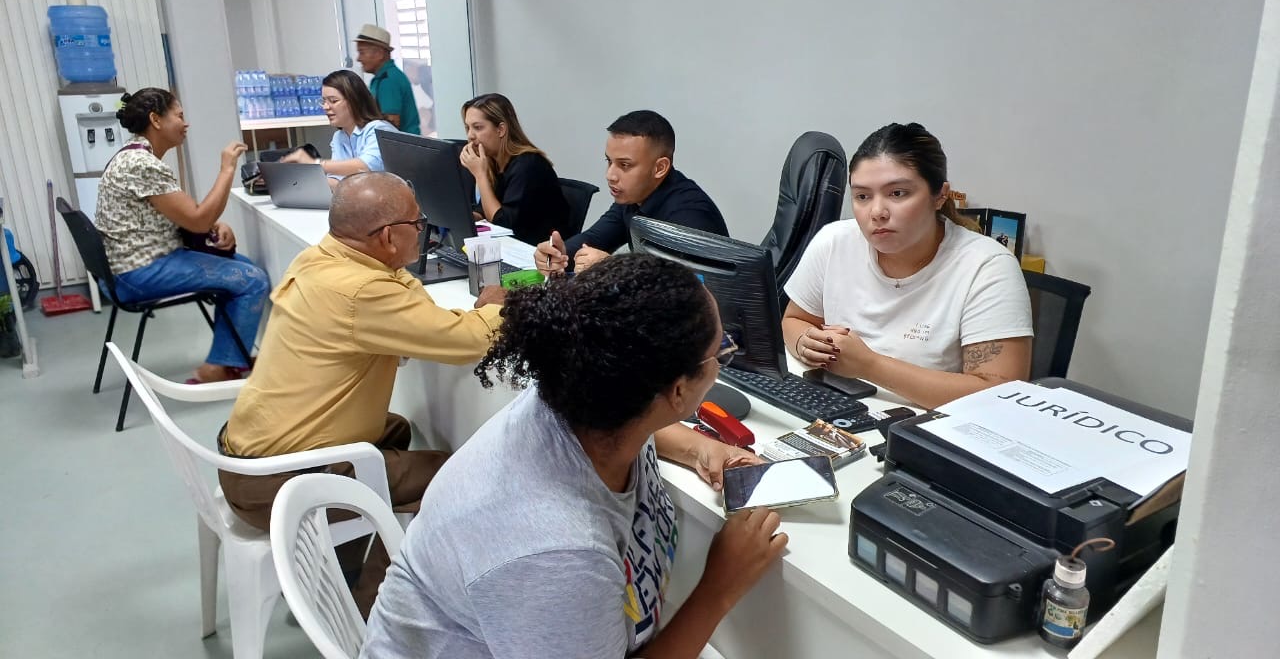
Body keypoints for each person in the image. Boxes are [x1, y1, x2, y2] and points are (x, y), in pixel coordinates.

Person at [363, 253, 787, 658]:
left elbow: (639, 421)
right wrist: (721, 585)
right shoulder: (559, 553)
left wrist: (699, 446)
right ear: (678, 391)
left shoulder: (585, 400)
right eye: (721, 351)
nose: (720, 362)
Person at [216, 171, 505, 617]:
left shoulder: (321, 259)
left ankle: (338, 570)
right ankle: (374, 609)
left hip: (246, 461)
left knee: (396, 429)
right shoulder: (364, 291)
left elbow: (410, 309)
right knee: (458, 477)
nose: (423, 230)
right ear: (389, 237)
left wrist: (398, 271)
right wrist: (496, 309)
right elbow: (464, 339)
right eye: (417, 223)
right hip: (278, 484)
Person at [782, 122, 1033, 409]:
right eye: (862, 196)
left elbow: (999, 396)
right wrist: (805, 341)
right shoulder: (834, 241)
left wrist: (870, 366)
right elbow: (794, 320)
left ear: (940, 196)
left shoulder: (987, 267)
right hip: (838, 408)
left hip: (927, 432)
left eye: (898, 193)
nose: (877, 212)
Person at [95, 88, 268, 383]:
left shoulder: (132, 156)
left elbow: (178, 215)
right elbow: (198, 220)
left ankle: (228, 357)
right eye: (179, 115)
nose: (185, 123)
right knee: (252, 279)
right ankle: (217, 368)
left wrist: (213, 224)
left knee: (243, 268)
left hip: (127, 268)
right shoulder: (142, 164)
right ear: (156, 120)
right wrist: (227, 169)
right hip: (139, 274)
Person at [534, 110, 728, 274]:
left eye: (624, 165)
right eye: (609, 161)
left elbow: (684, 294)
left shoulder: (690, 216)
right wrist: (558, 255)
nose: (610, 175)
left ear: (660, 168)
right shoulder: (633, 198)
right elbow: (593, 239)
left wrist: (613, 270)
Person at [459, 93, 570, 245]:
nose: (470, 135)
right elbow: (484, 210)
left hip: (539, 254)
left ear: (501, 129)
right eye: (468, 128)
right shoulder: (493, 161)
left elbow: (502, 223)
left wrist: (480, 175)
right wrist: (463, 217)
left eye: (478, 127)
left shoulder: (528, 165)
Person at [283, 70, 395, 180]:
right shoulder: (339, 137)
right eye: (324, 101)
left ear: (354, 101)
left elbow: (364, 167)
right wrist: (298, 180)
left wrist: (315, 163)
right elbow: (338, 181)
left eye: (333, 101)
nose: (325, 107)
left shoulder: (379, 130)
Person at [354, 23, 421, 135]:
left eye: (362, 52)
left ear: (380, 53)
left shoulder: (388, 80)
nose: (358, 59)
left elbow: (391, 124)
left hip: (403, 148)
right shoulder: (383, 77)